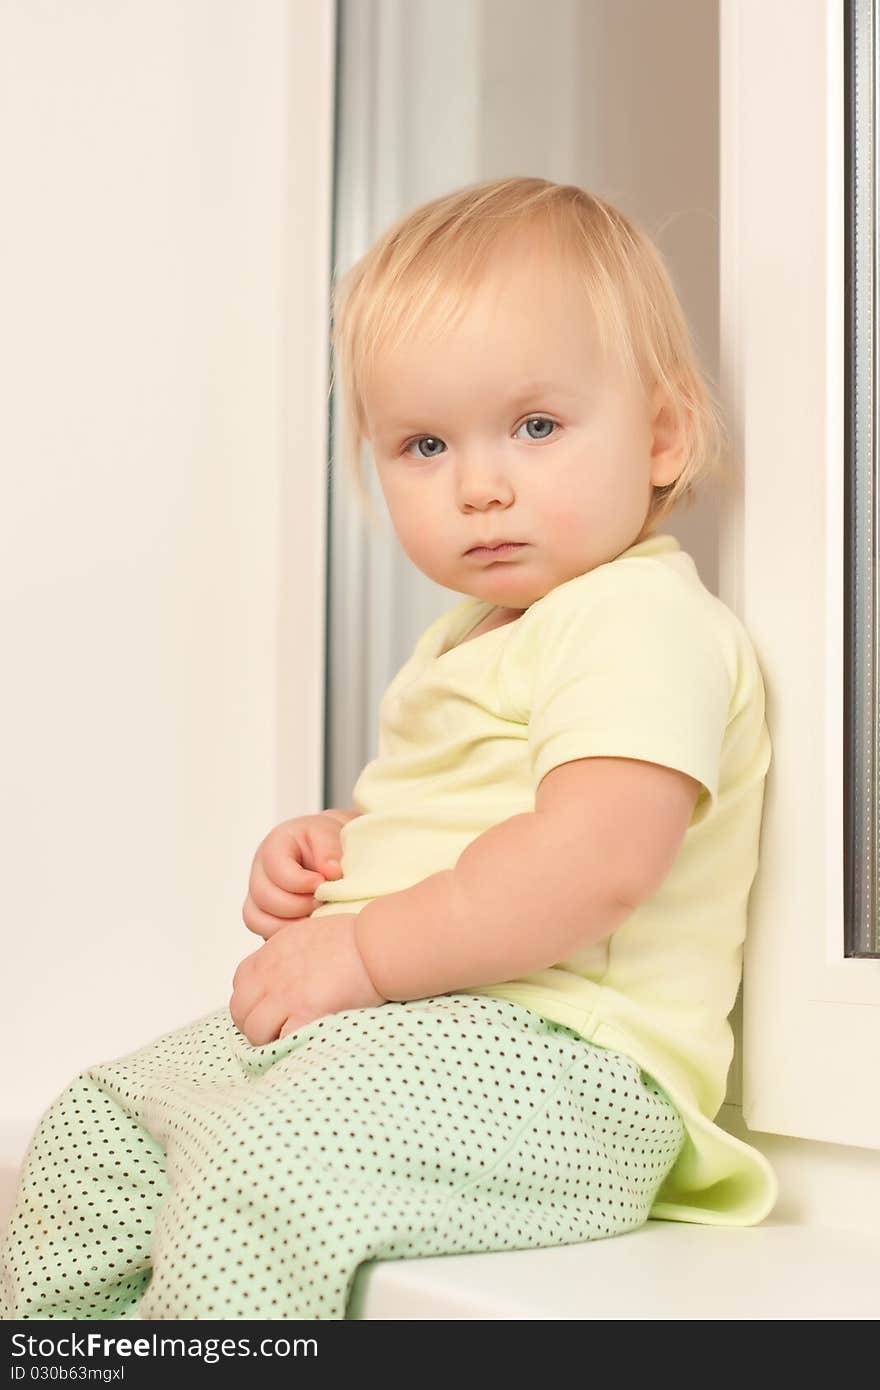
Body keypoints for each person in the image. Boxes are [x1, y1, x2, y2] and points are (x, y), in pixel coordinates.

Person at [0, 176, 776, 1322]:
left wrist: (361, 952)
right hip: (422, 1035)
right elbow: (475, 823)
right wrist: (342, 847)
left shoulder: (636, 618)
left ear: (662, 434)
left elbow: (597, 857)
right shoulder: (471, 639)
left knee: (262, 1173)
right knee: (97, 1130)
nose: (480, 485)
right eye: (422, 444)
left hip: (565, 1068)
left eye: (537, 426)